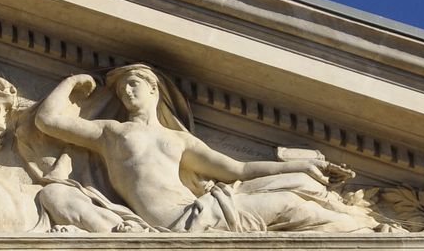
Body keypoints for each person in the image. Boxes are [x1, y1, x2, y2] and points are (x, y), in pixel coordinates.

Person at [30, 63, 378, 232]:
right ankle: (363, 230)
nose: (127, 93)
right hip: (176, 223)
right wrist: (72, 82)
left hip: (200, 209)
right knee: (287, 204)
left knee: (294, 195)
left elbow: (237, 170)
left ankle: (364, 230)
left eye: (134, 84)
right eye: (121, 90)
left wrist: (298, 167)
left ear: (154, 90)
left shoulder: (177, 139)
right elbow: (47, 121)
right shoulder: (112, 132)